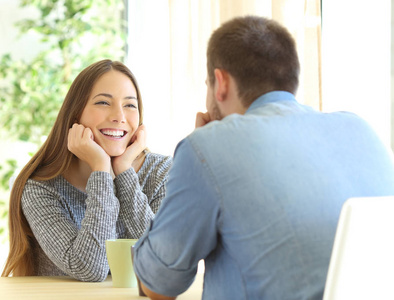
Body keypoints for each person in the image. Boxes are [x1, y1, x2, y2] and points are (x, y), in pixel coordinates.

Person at [132, 16, 394, 300]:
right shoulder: (360, 130)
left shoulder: (209, 147)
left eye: (208, 83)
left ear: (220, 83)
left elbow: (158, 286)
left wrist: (202, 152)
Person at [1, 59, 172, 282]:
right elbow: (90, 268)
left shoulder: (161, 172)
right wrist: (101, 170)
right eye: (103, 102)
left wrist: (124, 174)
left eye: (130, 105)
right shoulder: (40, 188)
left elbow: (164, 262)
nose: (119, 116)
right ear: (75, 115)